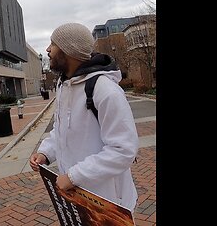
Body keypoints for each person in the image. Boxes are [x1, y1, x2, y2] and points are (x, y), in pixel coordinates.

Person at [29, 23, 139, 212]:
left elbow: (123, 150)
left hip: (108, 203)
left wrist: (73, 176)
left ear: (68, 51)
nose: (47, 49)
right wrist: (46, 153)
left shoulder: (106, 90)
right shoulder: (64, 86)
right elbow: (62, 129)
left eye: (53, 44)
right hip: (78, 197)